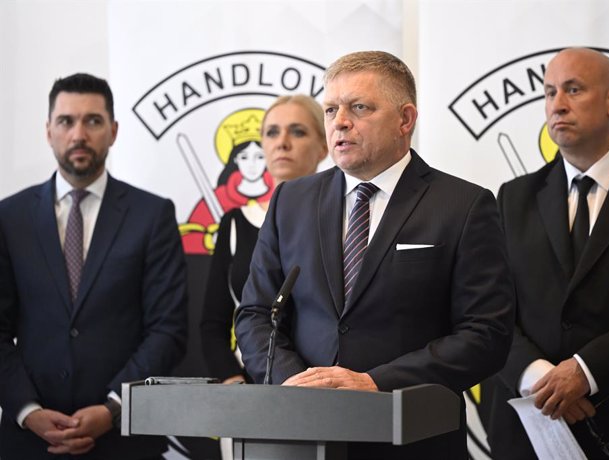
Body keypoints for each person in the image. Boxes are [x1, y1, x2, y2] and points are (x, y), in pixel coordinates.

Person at [234, 51, 515, 459]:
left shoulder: (464, 206)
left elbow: (486, 334)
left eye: (359, 107)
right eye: (331, 109)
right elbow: (256, 313)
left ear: (405, 120)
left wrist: (374, 383)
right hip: (299, 436)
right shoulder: (291, 201)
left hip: (412, 439)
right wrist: (297, 385)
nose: (340, 122)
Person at [486, 48, 609, 459]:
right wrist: (540, 379)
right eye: (549, 93)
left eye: (573, 90)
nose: (557, 105)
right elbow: (489, 307)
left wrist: (585, 371)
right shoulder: (513, 198)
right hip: (530, 429)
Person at [0, 73, 188, 459]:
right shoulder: (9, 217)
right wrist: (27, 411)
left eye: (93, 121)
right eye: (66, 121)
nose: (79, 134)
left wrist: (114, 407)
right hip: (28, 441)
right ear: (48, 131)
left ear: (114, 131)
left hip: (125, 438)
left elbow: (167, 328)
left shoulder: (153, 215)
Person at [200, 94, 328, 384]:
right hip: (250, 388)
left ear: (324, 146)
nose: (282, 142)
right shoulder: (234, 223)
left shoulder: (344, 222)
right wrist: (234, 383)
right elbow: (213, 323)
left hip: (327, 387)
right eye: (272, 132)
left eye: (297, 131)